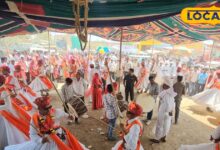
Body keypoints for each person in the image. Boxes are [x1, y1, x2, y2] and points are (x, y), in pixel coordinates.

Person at [5, 96, 89, 150]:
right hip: (48, 140)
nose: (49, 110)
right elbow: (32, 134)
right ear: (39, 109)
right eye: (46, 109)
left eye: (49, 108)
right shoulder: (34, 118)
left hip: (62, 136)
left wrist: (71, 117)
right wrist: (41, 140)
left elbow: (67, 116)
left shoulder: (56, 112)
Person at [150, 78, 177, 143]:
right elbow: (172, 103)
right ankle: (164, 137)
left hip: (164, 111)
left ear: (167, 85)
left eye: (164, 84)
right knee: (167, 125)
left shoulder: (165, 92)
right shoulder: (172, 92)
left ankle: (157, 139)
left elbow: (162, 98)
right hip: (169, 112)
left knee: (159, 124)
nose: (162, 85)